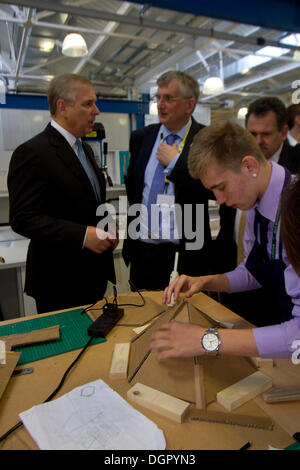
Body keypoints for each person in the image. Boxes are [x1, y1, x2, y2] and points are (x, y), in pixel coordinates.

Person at [148, 120, 300, 360]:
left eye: (221, 187)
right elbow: (255, 272)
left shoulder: (295, 211)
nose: (218, 200)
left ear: (249, 165)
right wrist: (205, 282)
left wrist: (207, 340)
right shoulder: (254, 199)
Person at [7, 74, 117, 314]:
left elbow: (91, 202)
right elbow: (23, 218)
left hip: (92, 278)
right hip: (59, 283)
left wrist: (107, 226)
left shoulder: (84, 149)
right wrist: (82, 235)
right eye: (88, 104)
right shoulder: (32, 153)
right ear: (62, 107)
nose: (96, 111)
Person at [122, 70, 214, 291]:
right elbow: (134, 187)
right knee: (142, 320)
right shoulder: (141, 137)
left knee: (185, 317)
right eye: (158, 98)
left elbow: (211, 188)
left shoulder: (207, 139)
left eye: (168, 98)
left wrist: (176, 164)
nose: (160, 105)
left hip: (185, 251)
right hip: (143, 249)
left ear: (189, 105)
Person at [246, 96, 300, 174]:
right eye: (253, 134)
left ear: (284, 132)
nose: (258, 141)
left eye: (266, 134)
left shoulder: (297, 161)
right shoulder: (238, 163)